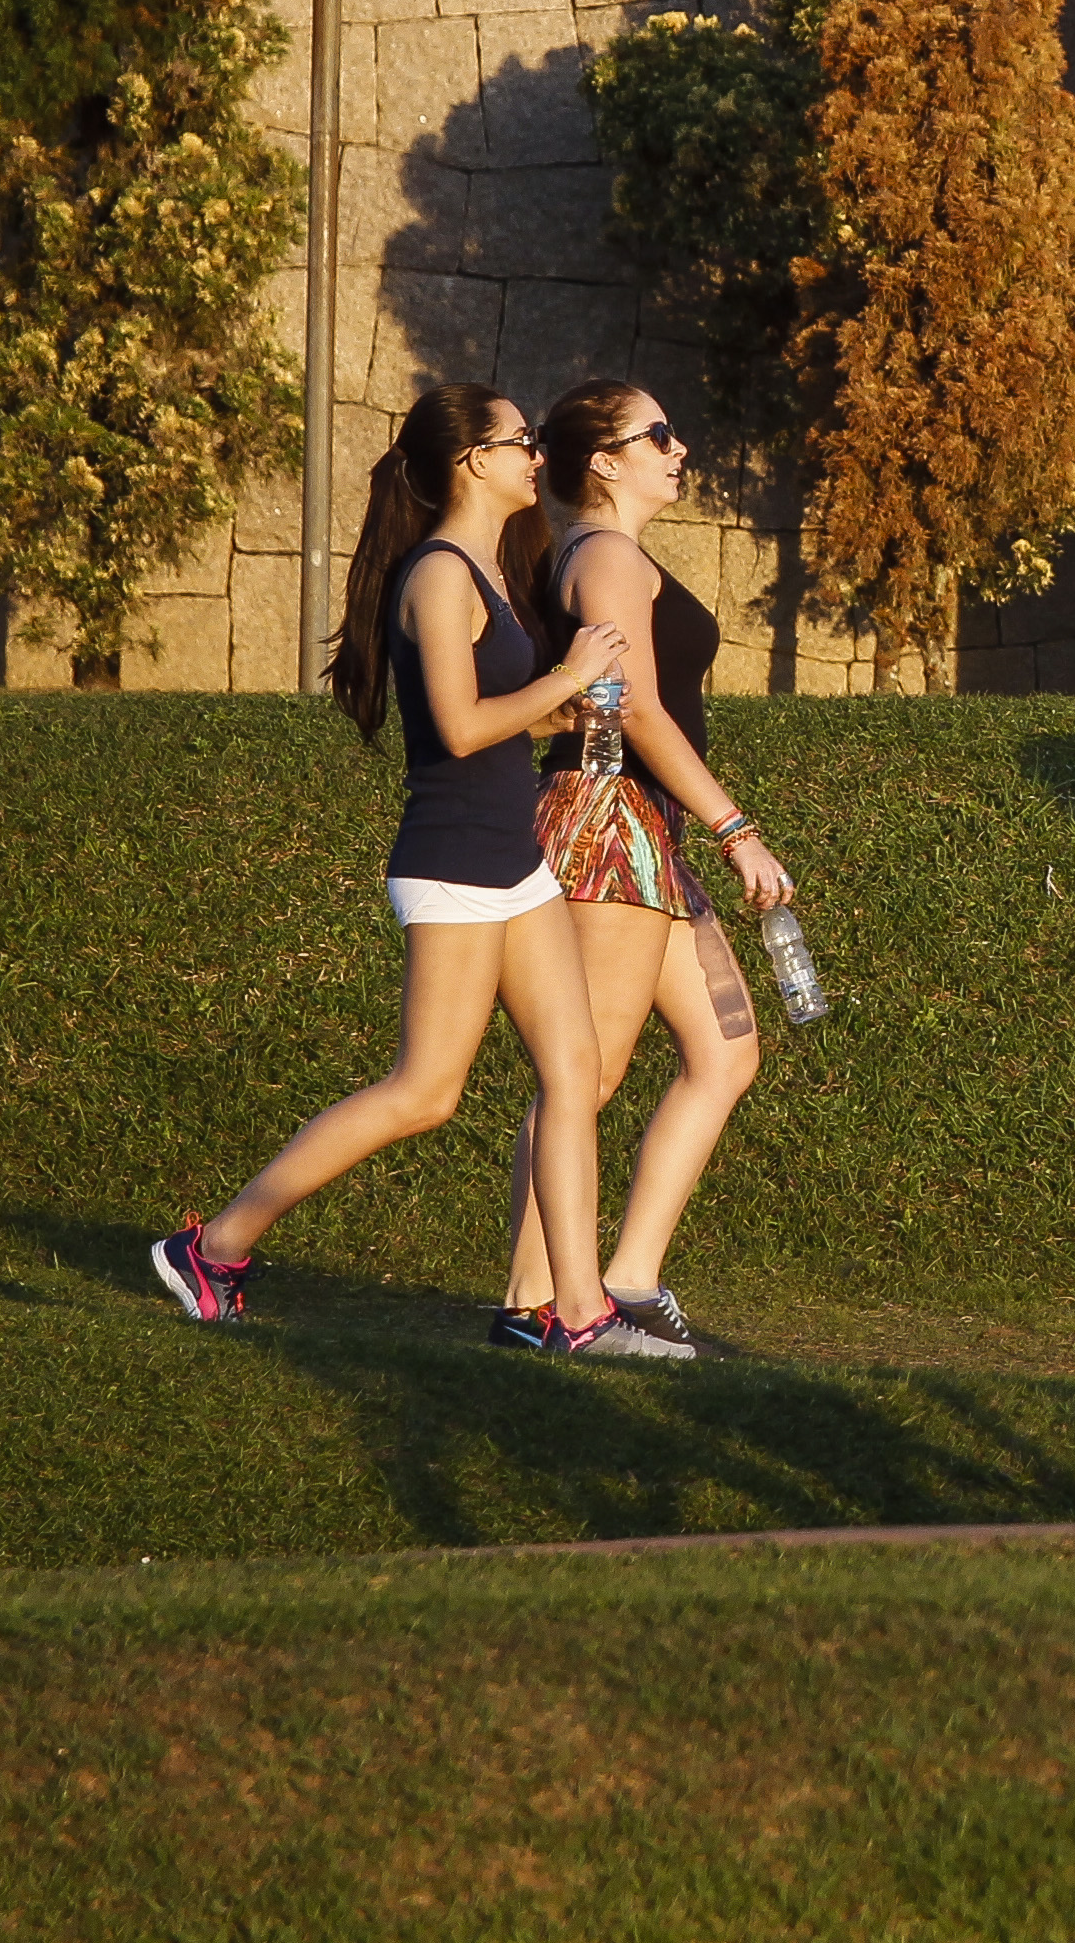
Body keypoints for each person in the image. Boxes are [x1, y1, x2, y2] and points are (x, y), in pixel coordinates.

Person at [145, 384, 680, 1360]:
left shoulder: (486, 564)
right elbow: (460, 725)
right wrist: (565, 678)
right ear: (474, 459)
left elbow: (492, 717)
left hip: (512, 856)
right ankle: (211, 1246)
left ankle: (578, 1314)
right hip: (454, 866)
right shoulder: (439, 575)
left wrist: (569, 714)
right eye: (520, 440)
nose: (536, 454)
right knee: (425, 1092)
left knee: (576, 1076)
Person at [492, 379, 794, 1354]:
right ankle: (531, 1306)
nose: (679, 447)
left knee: (726, 1050)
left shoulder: (604, 552)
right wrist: (734, 826)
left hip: (640, 828)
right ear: (603, 461)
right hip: (607, 822)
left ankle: (625, 1279)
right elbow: (638, 709)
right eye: (656, 434)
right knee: (588, 1071)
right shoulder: (607, 553)